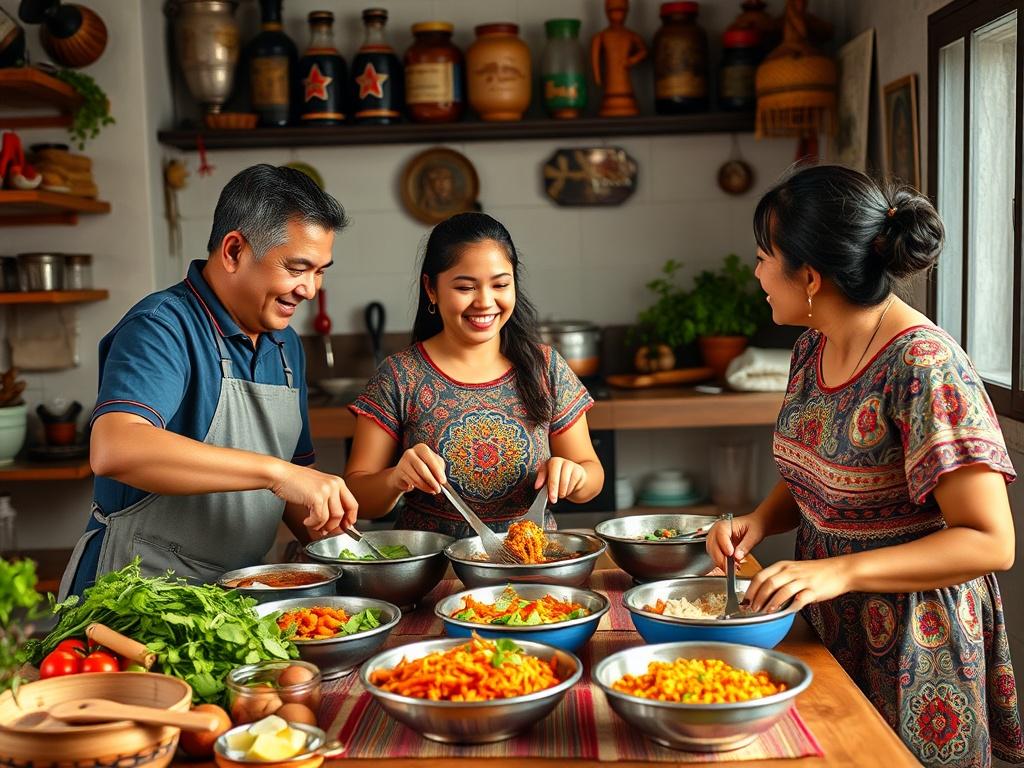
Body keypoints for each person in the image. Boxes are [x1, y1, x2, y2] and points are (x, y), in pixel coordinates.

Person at [706, 164, 1023, 767]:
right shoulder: (812, 344)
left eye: (763, 257)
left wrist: (841, 573)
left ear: (809, 277)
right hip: (829, 620)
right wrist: (758, 519)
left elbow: (990, 542)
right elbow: (824, 471)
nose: (755, 273)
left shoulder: (925, 366)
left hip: (917, 646)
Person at [60, 164, 359, 597]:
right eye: (297, 268)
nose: (310, 289)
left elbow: (298, 482)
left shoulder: (286, 345)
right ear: (234, 250)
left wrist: (347, 548)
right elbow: (115, 448)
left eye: (320, 271)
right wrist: (276, 473)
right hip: (136, 598)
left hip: (235, 601)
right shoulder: (161, 326)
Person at [344, 212, 604, 536]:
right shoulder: (400, 375)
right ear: (431, 289)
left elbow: (592, 475)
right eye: (465, 287)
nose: (485, 302)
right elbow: (357, 494)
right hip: (433, 569)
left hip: (531, 565)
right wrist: (397, 477)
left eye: (500, 285)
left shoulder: (545, 367)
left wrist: (575, 476)